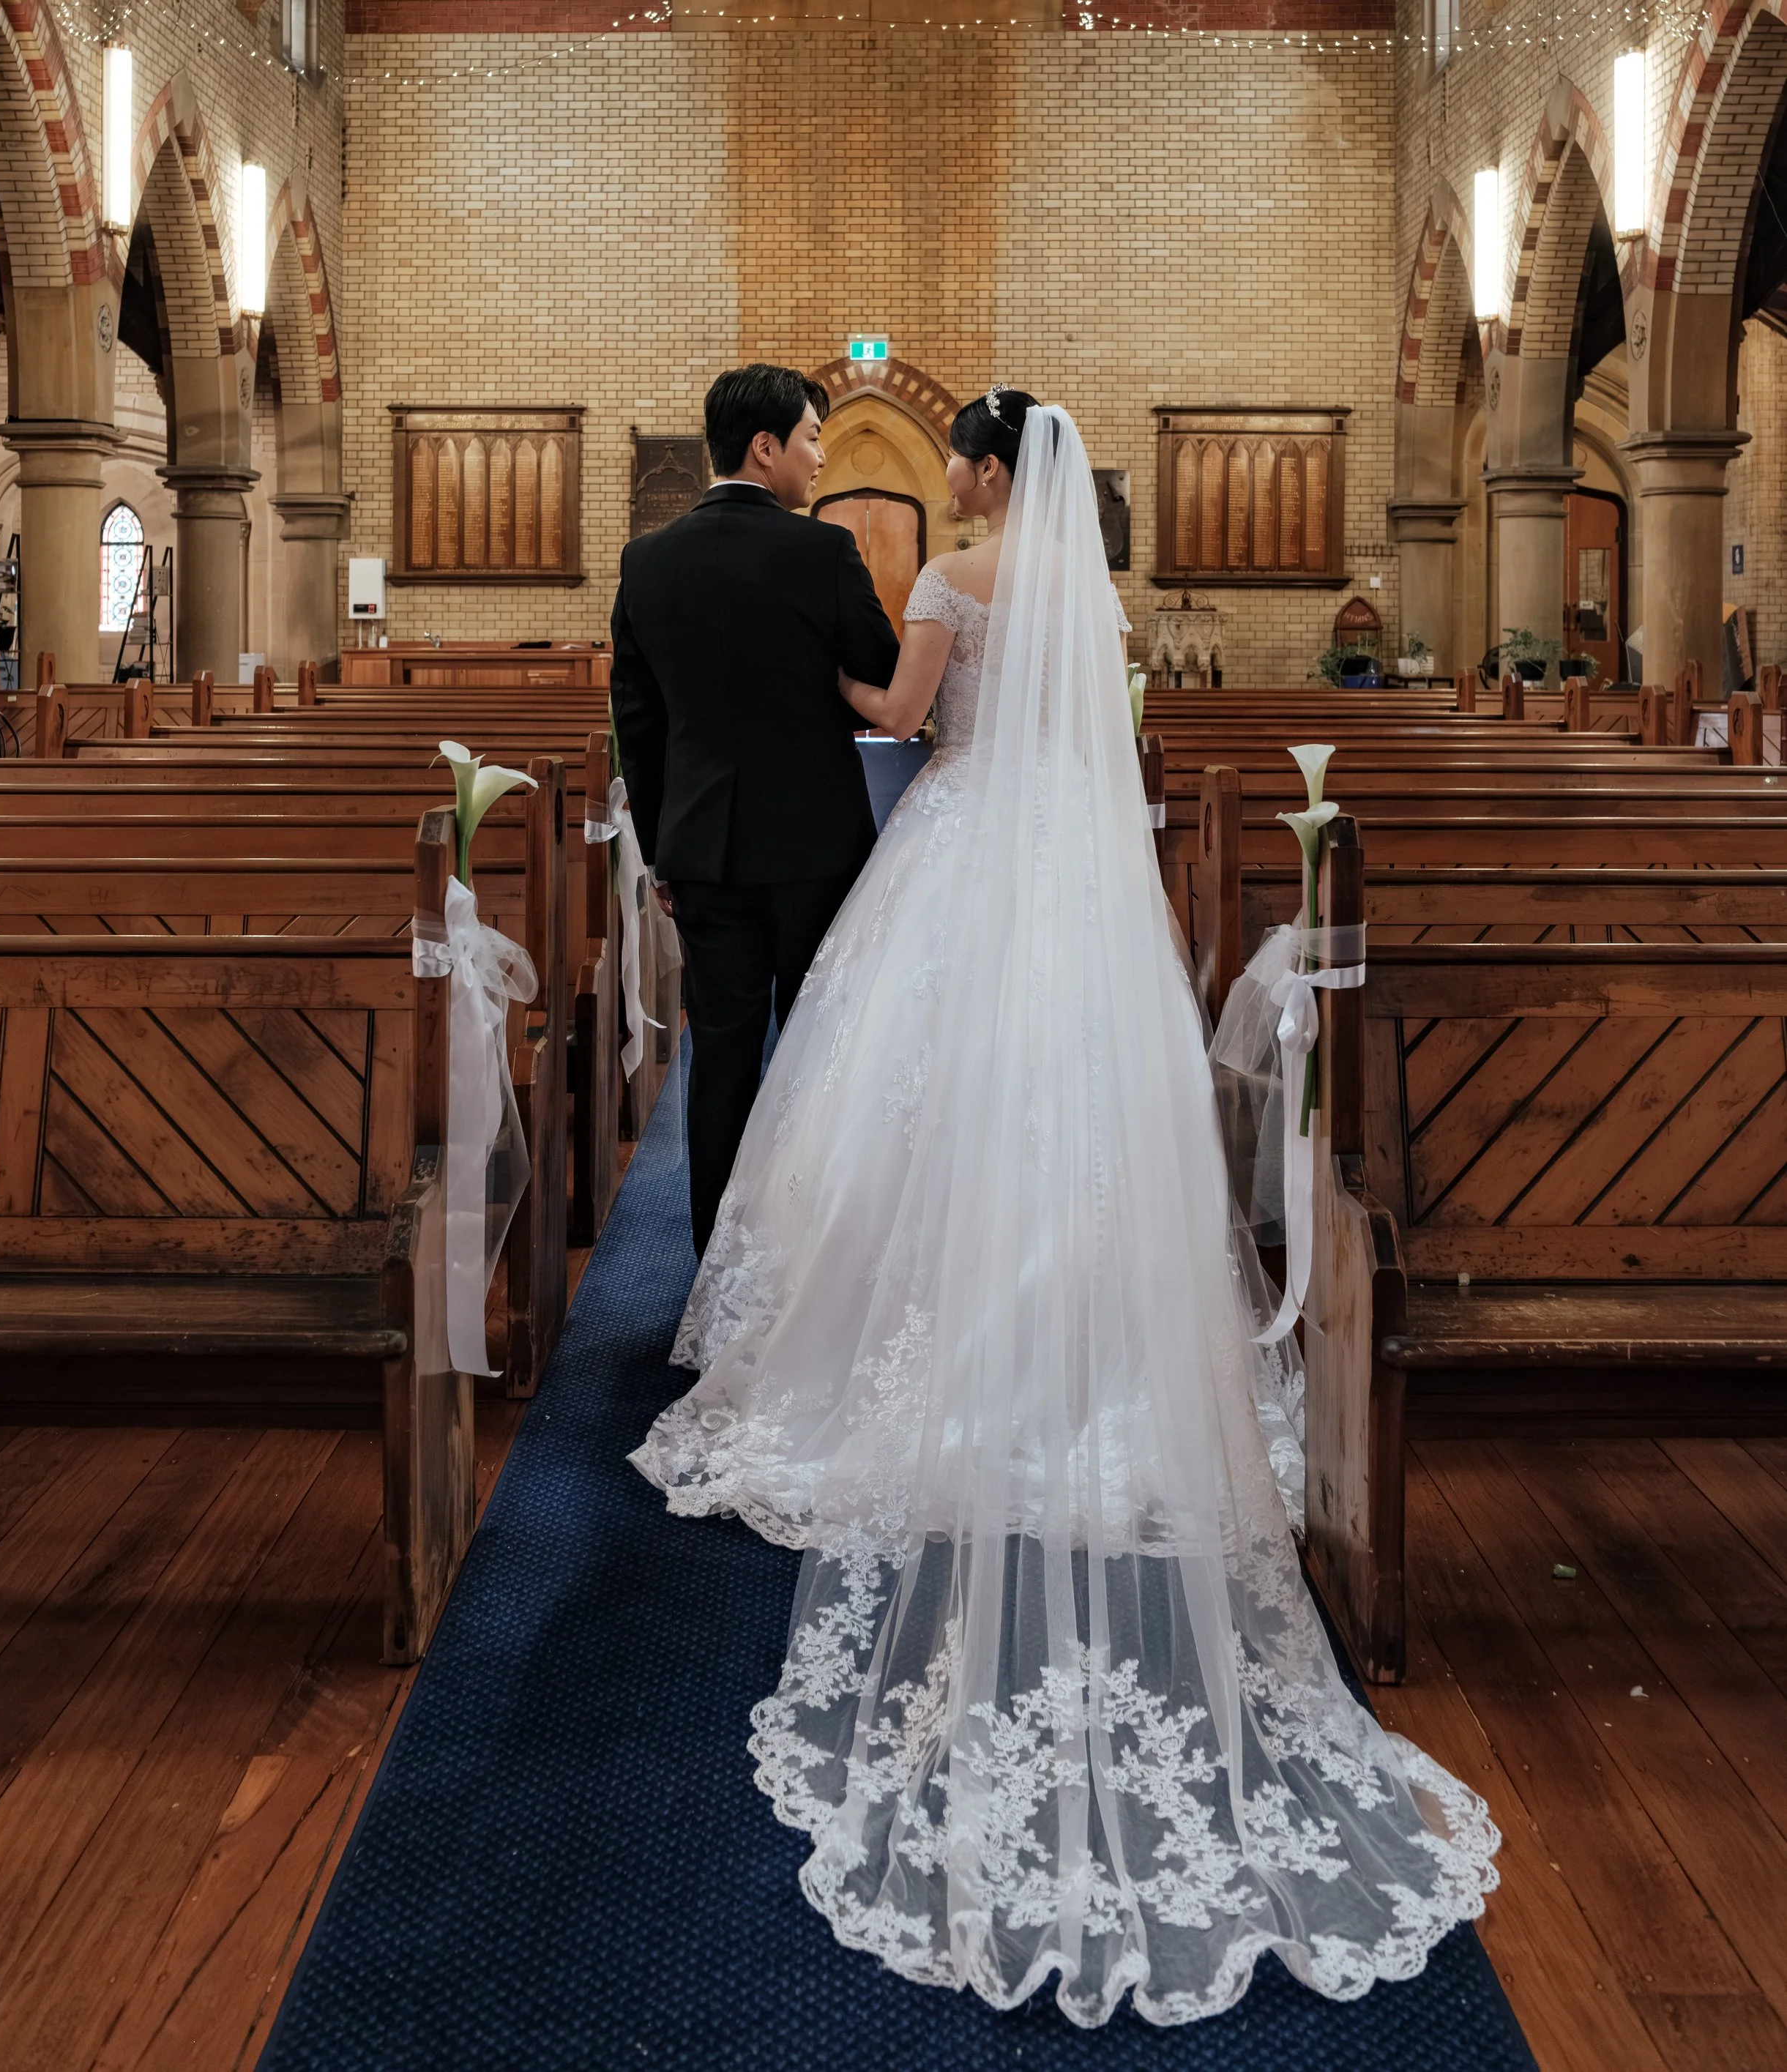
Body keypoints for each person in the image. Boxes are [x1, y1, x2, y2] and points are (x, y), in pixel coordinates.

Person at [633, 389, 1497, 2029]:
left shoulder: (954, 575)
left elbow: (898, 703)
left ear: (969, 470)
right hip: (1071, 878)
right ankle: (1086, 1344)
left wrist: (812, 675)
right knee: (1070, 1099)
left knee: (900, 1097)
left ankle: (892, 1324)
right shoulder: (1092, 595)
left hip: (958, 850)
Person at [610, 364, 900, 1257]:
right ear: (765, 446)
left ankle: (716, 1271)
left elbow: (637, 719)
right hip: (816, 845)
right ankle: (805, 1262)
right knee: (818, 1054)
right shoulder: (821, 551)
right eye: (812, 438)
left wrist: (661, 851)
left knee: (722, 1064)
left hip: (702, 850)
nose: (819, 458)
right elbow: (883, 675)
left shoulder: (647, 559)